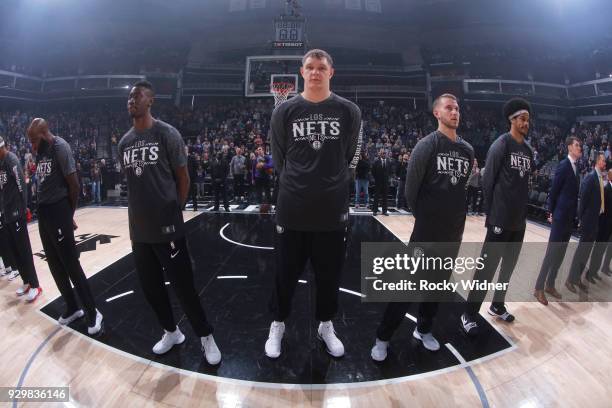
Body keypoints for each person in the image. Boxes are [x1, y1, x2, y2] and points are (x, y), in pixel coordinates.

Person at [118, 81, 221, 364]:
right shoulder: (124, 142)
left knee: (183, 287)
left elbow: (183, 178)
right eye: (129, 96)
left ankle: (205, 336)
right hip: (139, 230)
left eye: (136, 96)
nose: (131, 100)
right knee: (151, 288)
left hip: (168, 226)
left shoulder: (167, 134)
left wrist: (175, 212)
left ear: (150, 100)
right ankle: (171, 331)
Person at [268, 49, 361, 358]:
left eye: (322, 67)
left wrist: (332, 182)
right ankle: (278, 323)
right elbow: (279, 157)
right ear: (302, 71)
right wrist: (298, 181)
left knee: (329, 275)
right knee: (285, 274)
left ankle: (325, 325)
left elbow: (350, 156)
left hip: (332, 209)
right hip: (292, 207)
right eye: (310, 67)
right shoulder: (285, 110)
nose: (316, 72)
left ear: (331, 72)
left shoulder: (349, 111)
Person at [371, 94, 474, 360]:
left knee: (437, 287)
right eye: (449, 108)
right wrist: (427, 218)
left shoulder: (468, 150)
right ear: (437, 113)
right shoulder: (427, 145)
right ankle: (383, 337)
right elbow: (410, 190)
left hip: (454, 233)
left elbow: (461, 189)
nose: (455, 112)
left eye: (457, 108)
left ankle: (423, 329)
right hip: (426, 232)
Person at [461, 98, 534, 335]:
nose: (526, 123)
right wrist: (492, 215)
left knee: (508, 268)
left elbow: (524, 185)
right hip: (500, 220)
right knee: (487, 268)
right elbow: (487, 180)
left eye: (527, 120)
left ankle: (497, 304)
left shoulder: (528, 150)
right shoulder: (501, 145)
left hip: (518, 222)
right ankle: (469, 313)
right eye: (522, 119)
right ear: (512, 120)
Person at [27, 118, 103, 334]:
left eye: (33, 141)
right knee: (54, 264)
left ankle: (93, 312)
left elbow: (74, 185)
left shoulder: (60, 147)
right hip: (44, 212)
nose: (32, 146)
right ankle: (72, 307)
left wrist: (68, 215)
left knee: (71, 264)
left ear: (42, 135)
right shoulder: (41, 151)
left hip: (59, 210)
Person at [534, 136, 581, 305]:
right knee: (551, 253)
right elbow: (554, 190)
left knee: (560, 254)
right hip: (560, 217)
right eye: (576, 145)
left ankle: (550, 284)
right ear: (569, 147)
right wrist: (550, 211)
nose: (579, 148)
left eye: (579, 146)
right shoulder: (563, 165)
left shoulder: (576, 167)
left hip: (569, 219)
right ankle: (538, 287)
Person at [0, 136, 42, 301]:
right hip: (7, 213)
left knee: (24, 250)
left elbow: (22, 185)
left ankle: (35, 284)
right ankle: (26, 282)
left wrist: (24, 207)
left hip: (17, 211)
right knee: (15, 250)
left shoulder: (11, 160)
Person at [565, 152, 606, 293]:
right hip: (588, 221)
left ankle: (577, 278)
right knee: (580, 252)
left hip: (595, 221)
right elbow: (582, 201)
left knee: (586, 253)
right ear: (597, 162)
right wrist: (581, 219)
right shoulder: (590, 177)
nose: (605, 163)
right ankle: (570, 279)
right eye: (603, 161)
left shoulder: (600, 178)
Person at [371, 149, 391, 215]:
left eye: (385, 153)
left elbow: (390, 171)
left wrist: (388, 178)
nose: (384, 154)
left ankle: (384, 211)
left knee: (385, 197)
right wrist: (376, 178)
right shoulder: (376, 161)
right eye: (383, 153)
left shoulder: (388, 161)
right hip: (378, 182)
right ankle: (375, 211)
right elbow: (373, 171)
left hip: (385, 183)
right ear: (380, 154)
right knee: (376, 197)